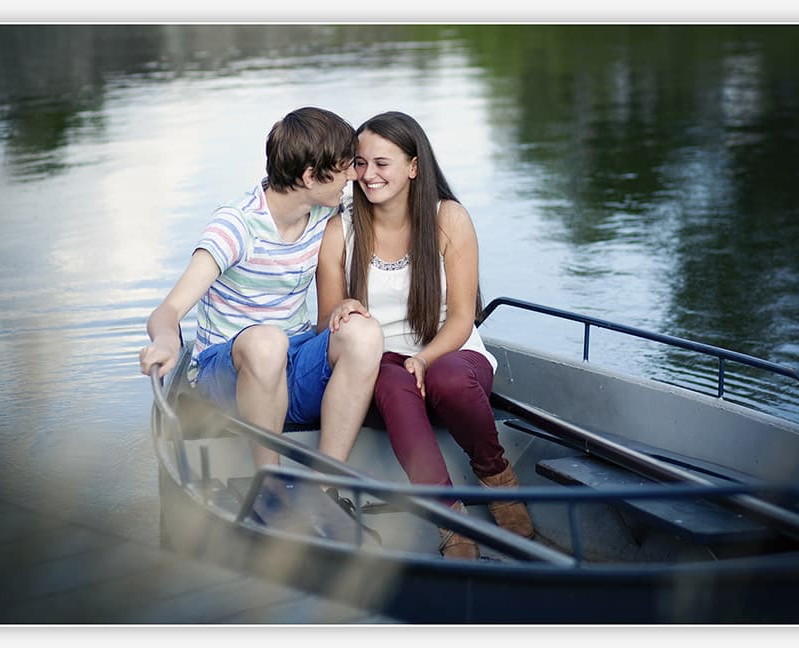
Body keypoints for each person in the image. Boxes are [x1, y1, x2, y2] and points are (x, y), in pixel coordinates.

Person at [139, 107, 383, 529]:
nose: (353, 178)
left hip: (286, 363)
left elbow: (395, 201)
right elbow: (170, 309)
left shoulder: (326, 214)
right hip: (227, 374)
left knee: (363, 332)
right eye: (344, 169)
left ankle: (324, 488)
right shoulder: (236, 226)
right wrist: (166, 342)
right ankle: (269, 486)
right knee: (267, 341)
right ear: (310, 177)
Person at [316, 111, 535, 560]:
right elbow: (327, 328)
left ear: (414, 167)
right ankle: (452, 524)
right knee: (393, 380)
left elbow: (460, 319)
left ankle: (498, 481)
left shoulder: (447, 219)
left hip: (451, 352)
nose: (368, 174)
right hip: (378, 370)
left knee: (447, 378)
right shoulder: (341, 229)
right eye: (360, 163)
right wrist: (341, 310)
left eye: (382, 163)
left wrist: (424, 358)